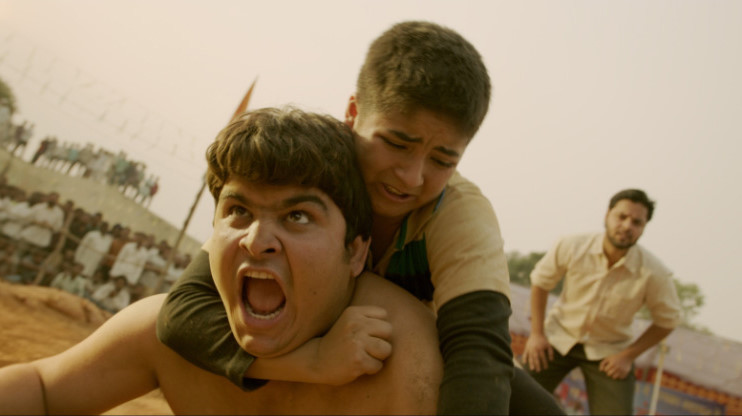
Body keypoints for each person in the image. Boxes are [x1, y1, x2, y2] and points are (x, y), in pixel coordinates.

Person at [157, 20, 561, 415]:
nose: (411, 177)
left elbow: (479, 352)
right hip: (299, 346)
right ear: (353, 113)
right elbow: (183, 311)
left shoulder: (460, 213)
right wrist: (314, 362)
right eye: (396, 143)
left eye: (442, 160)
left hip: (403, 355)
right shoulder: (311, 168)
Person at [0, 107, 443, 415]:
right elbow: (42, 391)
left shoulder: (411, 374)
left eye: (297, 216)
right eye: (239, 211)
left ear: (356, 251)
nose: (257, 240)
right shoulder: (172, 337)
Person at [522, 189, 681, 415]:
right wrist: (537, 334)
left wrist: (627, 356)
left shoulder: (654, 273)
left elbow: (668, 320)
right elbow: (540, 282)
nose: (627, 226)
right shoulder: (572, 246)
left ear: (644, 227)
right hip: (556, 338)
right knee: (510, 395)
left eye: (637, 222)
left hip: (610, 352)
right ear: (607, 215)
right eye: (622, 217)